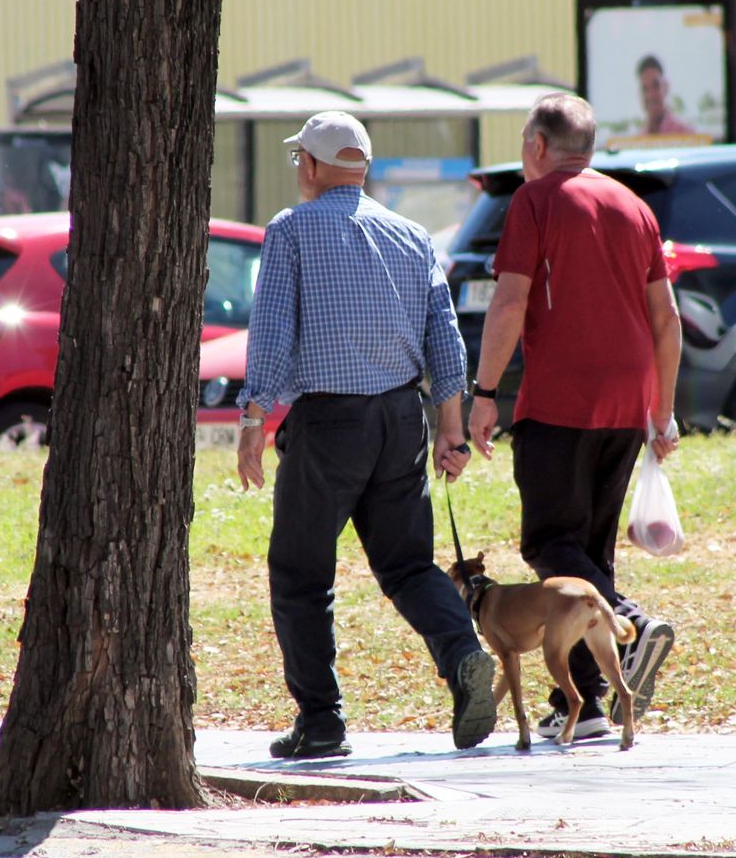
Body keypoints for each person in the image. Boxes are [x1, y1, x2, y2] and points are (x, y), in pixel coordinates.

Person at [236, 110, 497, 760]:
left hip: (327, 423)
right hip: (400, 422)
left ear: (318, 167)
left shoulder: (291, 230)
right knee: (407, 565)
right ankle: (464, 654)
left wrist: (251, 419)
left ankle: (321, 723)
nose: (298, 168)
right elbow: (446, 338)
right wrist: (452, 433)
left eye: (301, 159)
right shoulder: (412, 236)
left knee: (300, 573)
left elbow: (271, 333)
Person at [467, 93, 682, 741]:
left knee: (547, 544)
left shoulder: (533, 202)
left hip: (562, 398)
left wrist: (483, 392)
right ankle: (583, 709)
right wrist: (662, 414)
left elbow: (508, 305)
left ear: (536, 146)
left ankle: (630, 624)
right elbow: (667, 320)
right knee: (589, 551)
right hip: (628, 402)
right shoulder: (635, 207)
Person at [638, 54, 696, 136]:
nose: (650, 95)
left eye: (656, 86)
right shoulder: (639, 137)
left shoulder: (685, 133)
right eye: (645, 89)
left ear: (666, 87)